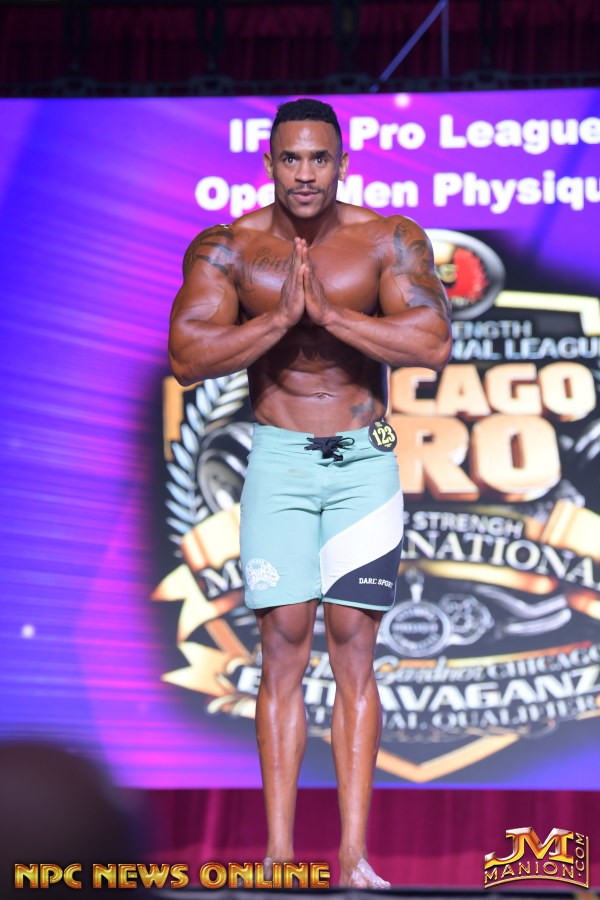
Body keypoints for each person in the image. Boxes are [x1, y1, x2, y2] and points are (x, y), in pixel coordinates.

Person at [169, 98, 451, 888]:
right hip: (281, 461)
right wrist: (278, 323)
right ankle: (279, 859)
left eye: (318, 159)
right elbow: (187, 356)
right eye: (290, 159)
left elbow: (432, 342)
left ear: (341, 164)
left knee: (355, 645)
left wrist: (329, 317)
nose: (304, 174)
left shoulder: (387, 239)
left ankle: (355, 856)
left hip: (363, 463)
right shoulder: (230, 247)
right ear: (268, 163)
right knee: (283, 644)